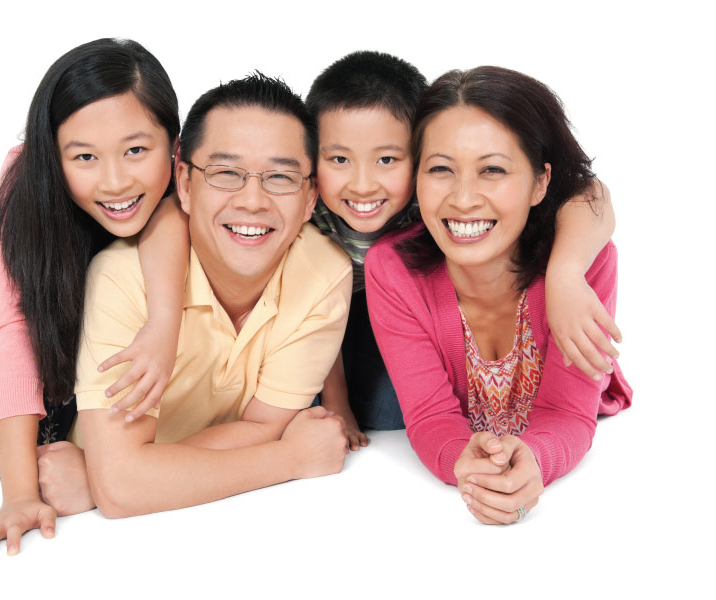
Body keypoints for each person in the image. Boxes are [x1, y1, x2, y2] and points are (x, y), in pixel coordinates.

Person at [34, 74, 352, 518]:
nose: (253, 201)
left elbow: (264, 425)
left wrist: (112, 472)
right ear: (183, 182)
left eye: (281, 177)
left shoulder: (322, 274)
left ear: (309, 198)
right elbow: (123, 489)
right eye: (225, 173)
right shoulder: (124, 279)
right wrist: (292, 458)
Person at [0, 38, 189, 560]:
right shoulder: (16, 204)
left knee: (76, 407)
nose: (116, 179)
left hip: (82, 294)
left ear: (173, 143)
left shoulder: (181, 178)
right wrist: (20, 496)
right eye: (85, 157)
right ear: (53, 154)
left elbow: (169, 218)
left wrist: (164, 323)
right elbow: (17, 336)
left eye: (136, 150)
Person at [296, 52, 623, 450]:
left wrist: (566, 272)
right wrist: (337, 403)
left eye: (386, 159)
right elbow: (314, 315)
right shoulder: (311, 216)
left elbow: (590, 193)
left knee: (387, 408)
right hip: (326, 316)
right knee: (359, 404)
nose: (364, 185)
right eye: (339, 159)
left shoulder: (431, 210)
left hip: (396, 309)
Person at [365, 66, 633, 524]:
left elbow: (567, 410)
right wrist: (462, 462)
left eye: (492, 170)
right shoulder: (393, 269)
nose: (464, 198)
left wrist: (536, 459)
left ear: (540, 182)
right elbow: (429, 416)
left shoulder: (584, 263)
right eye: (441, 169)